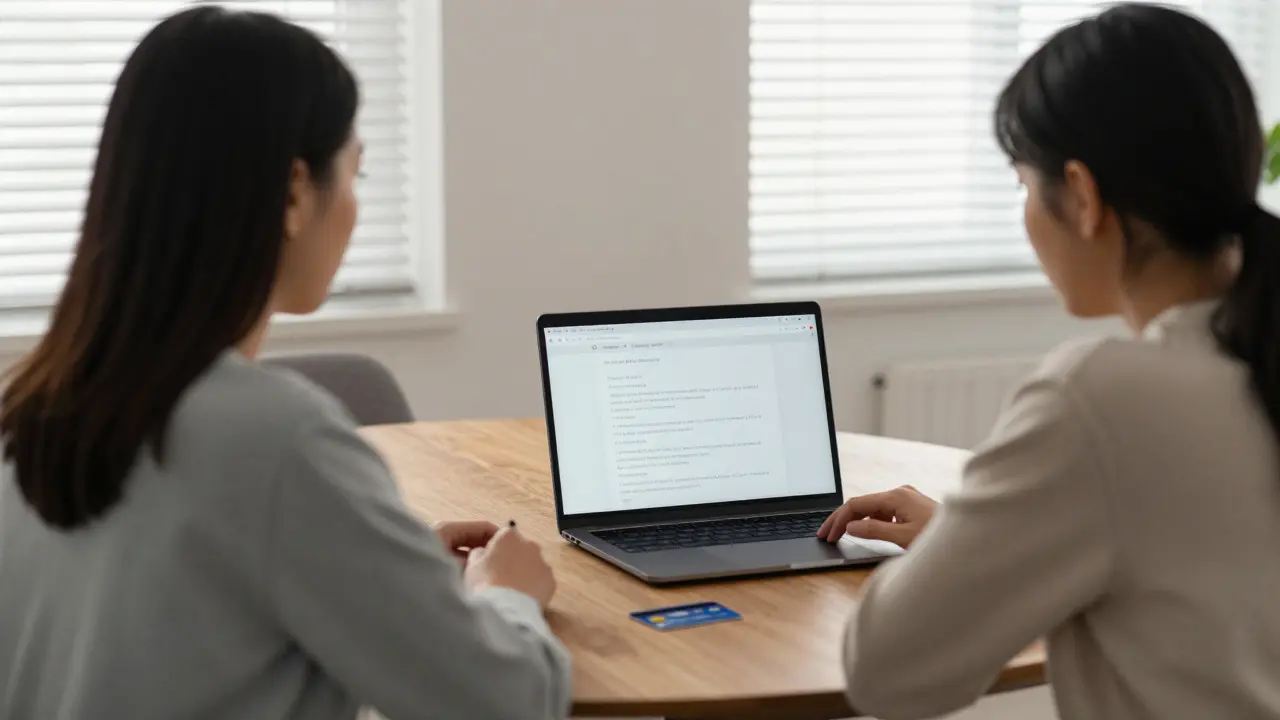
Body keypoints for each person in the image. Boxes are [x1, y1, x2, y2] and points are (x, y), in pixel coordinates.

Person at [0, 7, 569, 720]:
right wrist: (506, 597)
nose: (355, 209)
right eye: (354, 174)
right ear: (295, 193)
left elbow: (167, 610)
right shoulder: (272, 436)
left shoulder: (29, 409)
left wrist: (378, 567)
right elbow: (507, 701)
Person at [819, 5, 1280, 720]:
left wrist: (965, 548)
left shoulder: (1101, 397)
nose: (1026, 213)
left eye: (1024, 186)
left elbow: (886, 674)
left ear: (1084, 195)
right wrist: (972, 540)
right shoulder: (1245, 360)